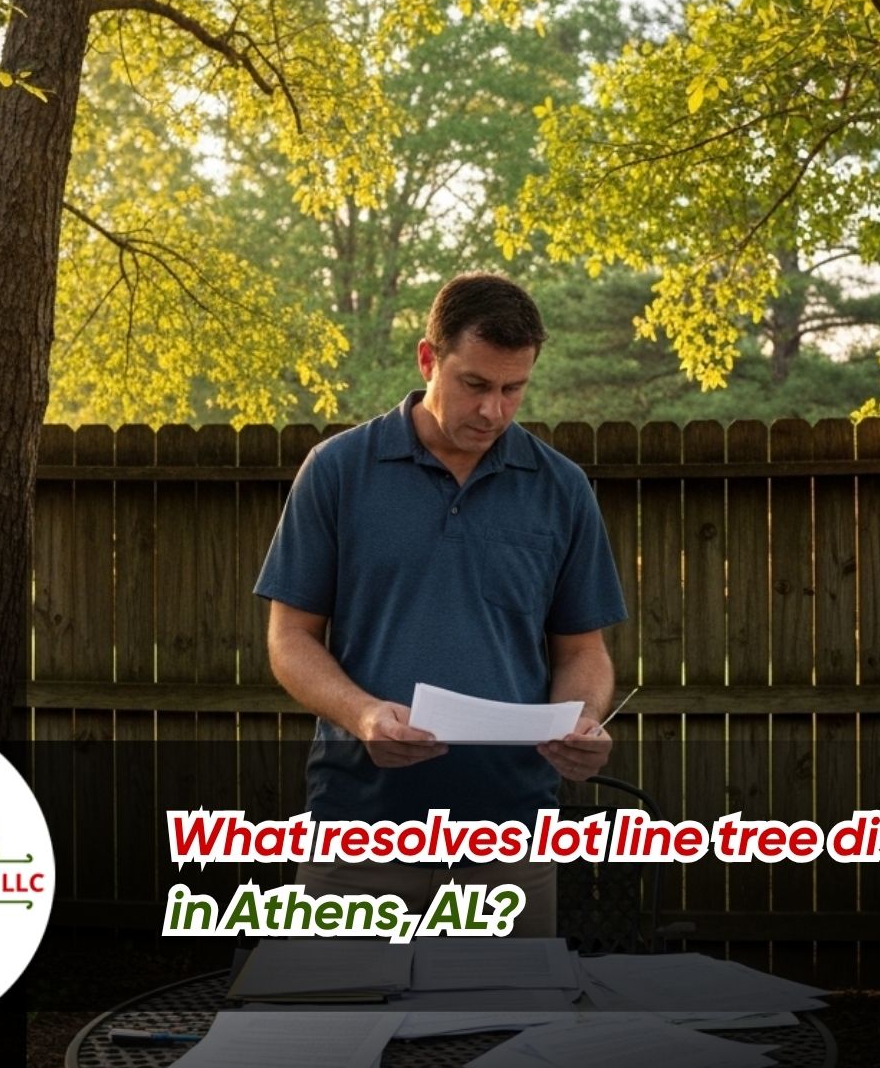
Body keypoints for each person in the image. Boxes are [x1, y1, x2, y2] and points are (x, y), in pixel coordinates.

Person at [253, 272, 627, 935]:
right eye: (475, 385)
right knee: (333, 1030)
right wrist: (364, 714)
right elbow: (289, 640)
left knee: (499, 1038)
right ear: (429, 358)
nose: (494, 411)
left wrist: (584, 720)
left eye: (515, 389)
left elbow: (584, 652)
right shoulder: (337, 471)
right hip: (358, 832)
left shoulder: (562, 488)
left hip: (509, 840)